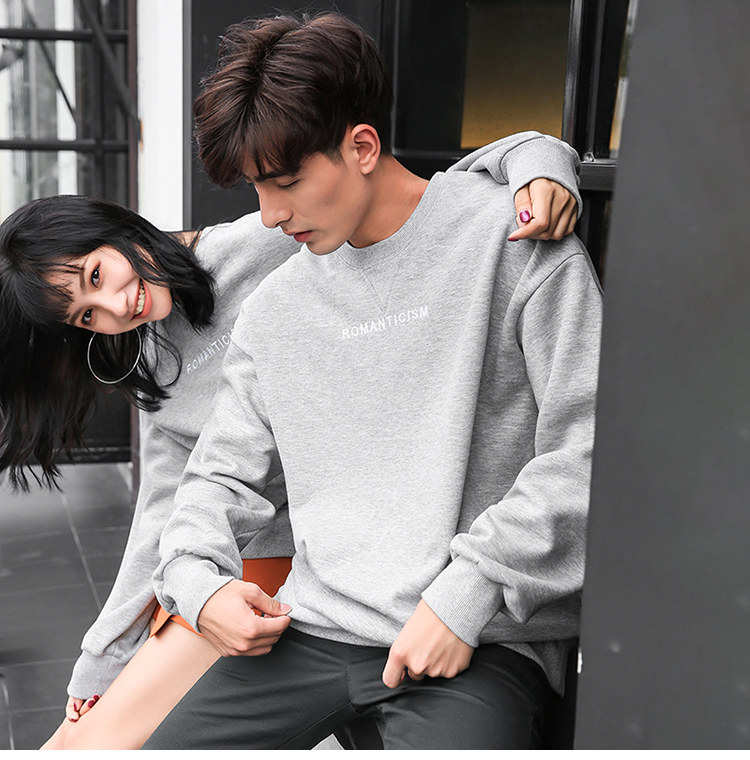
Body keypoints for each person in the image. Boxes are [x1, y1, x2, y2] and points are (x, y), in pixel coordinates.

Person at [0, 155, 582, 748]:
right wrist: (101, 655)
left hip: (326, 544)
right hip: (250, 552)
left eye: (98, 276)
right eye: (87, 315)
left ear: (115, 228)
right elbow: (167, 505)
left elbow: (401, 196)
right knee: (77, 739)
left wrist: (537, 159)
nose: (115, 307)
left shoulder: (265, 243)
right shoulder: (151, 360)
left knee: (98, 742)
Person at [144, 12, 602, 751]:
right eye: (257, 188)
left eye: (287, 182)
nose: (270, 215)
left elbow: (590, 449)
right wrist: (199, 582)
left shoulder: (514, 246)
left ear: (361, 146)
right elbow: (218, 474)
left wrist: (469, 592)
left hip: (478, 637)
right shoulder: (276, 308)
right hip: (313, 628)